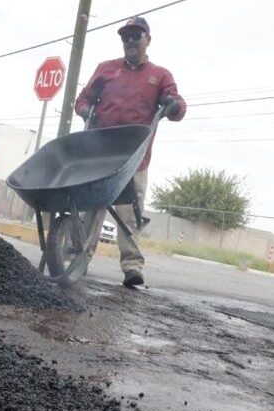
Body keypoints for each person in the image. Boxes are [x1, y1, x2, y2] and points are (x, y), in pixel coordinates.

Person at [74, 16, 185, 287]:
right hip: (99, 153)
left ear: (148, 39)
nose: (130, 41)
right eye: (126, 37)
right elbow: (82, 100)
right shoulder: (106, 69)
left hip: (134, 158)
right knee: (92, 207)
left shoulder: (159, 75)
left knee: (130, 212)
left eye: (136, 36)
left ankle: (132, 266)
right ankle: (79, 258)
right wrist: (86, 109)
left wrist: (173, 106)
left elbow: (178, 105)